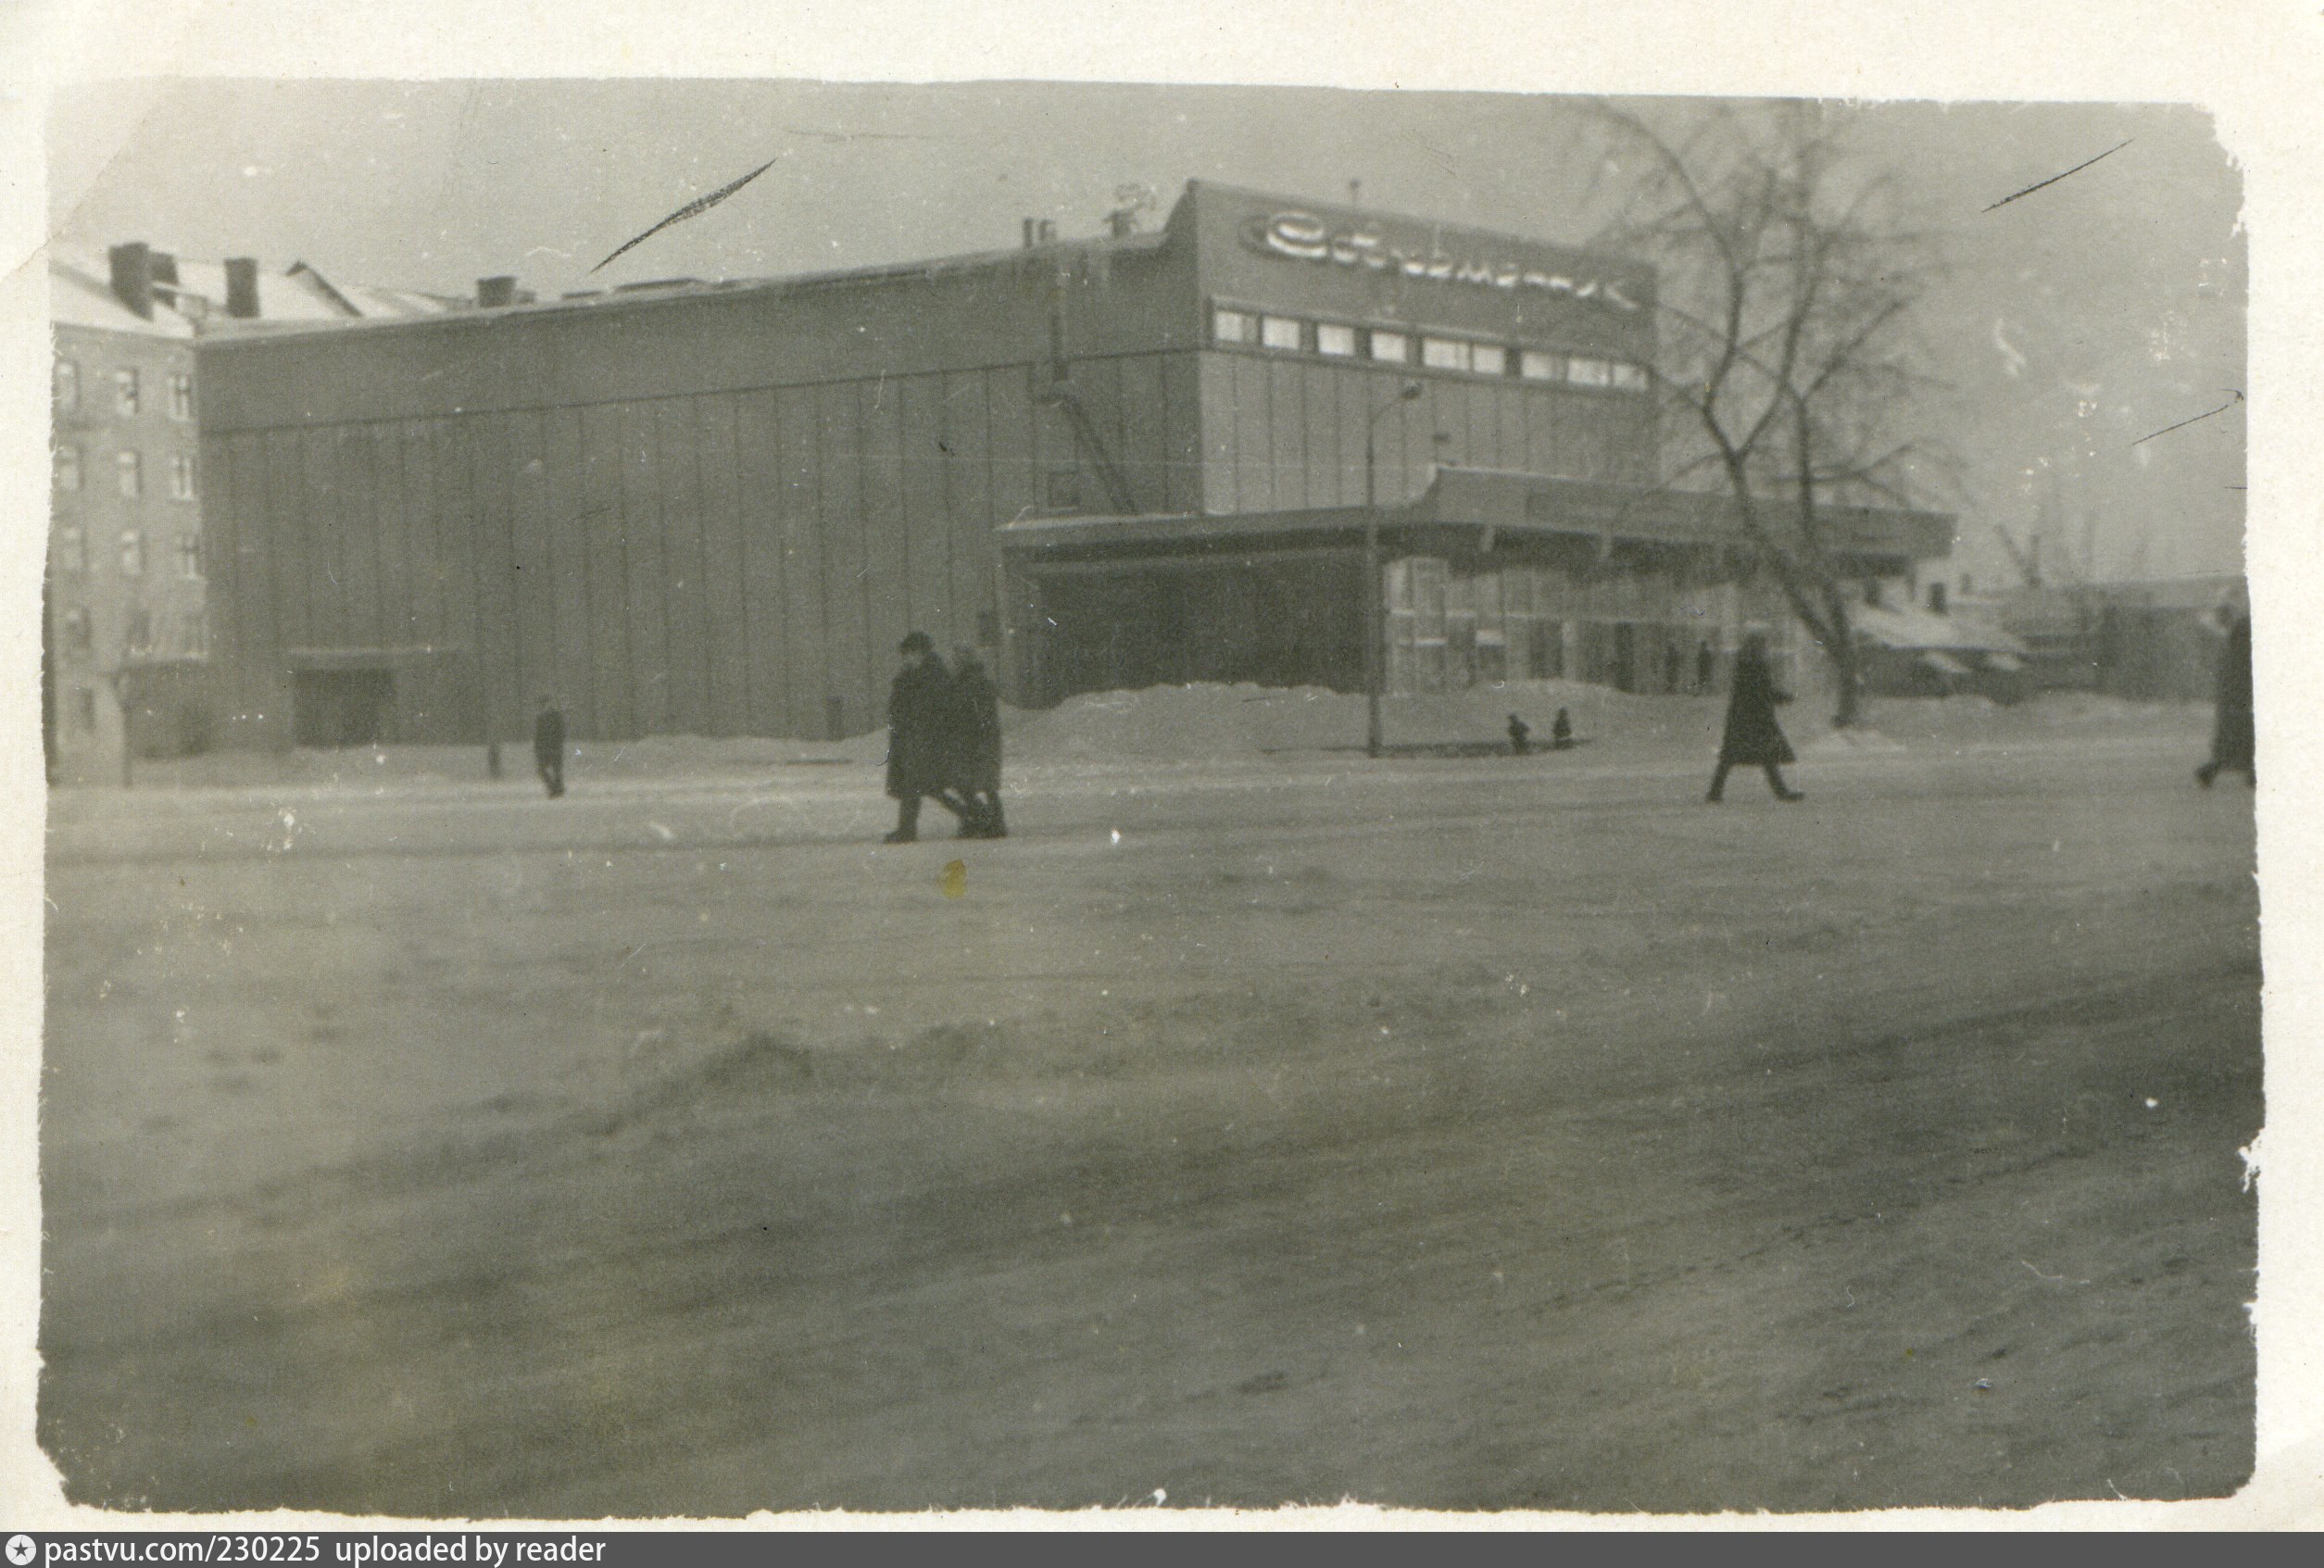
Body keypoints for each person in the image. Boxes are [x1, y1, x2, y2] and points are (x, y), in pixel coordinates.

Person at [1706, 631, 1803, 803]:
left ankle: (1715, 792)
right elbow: (1761, 692)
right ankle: (1781, 792)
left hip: (1742, 717)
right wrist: (1782, 698)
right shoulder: (1756, 666)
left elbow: (1756, 692)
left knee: (1734, 756)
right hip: (1755, 718)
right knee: (1761, 755)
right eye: (1764, 645)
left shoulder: (1744, 665)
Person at [885, 632, 963, 842]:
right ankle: (973, 816)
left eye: (909, 653)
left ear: (919, 652)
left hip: (926, 740)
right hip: (915, 739)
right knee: (928, 787)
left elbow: (933, 709)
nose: (906, 658)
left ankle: (907, 830)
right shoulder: (917, 674)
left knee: (918, 785)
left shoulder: (932, 675)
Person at [948, 645, 1007, 837]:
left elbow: (979, 714)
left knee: (980, 783)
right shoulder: (966, 683)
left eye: (959, 661)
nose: (955, 664)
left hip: (977, 739)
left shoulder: (974, 684)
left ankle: (989, 823)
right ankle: (984, 821)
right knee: (974, 783)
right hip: (971, 738)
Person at [2196, 606, 2254, 788]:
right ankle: (2217, 770)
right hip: (2241, 695)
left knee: (2233, 737)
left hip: (2234, 695)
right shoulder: (2245, 637)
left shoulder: (2235, 641)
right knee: (2242, 735)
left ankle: (2215, 769)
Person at [532, 696, 566, 798]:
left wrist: (558, 743)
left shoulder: (555, 716)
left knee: (555, 770)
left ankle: (556, 789)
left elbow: (561, 732)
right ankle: (555, 789)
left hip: (552, 747)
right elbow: (538, 734)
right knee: (546, 770)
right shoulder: (542, 717)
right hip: (547, 748)